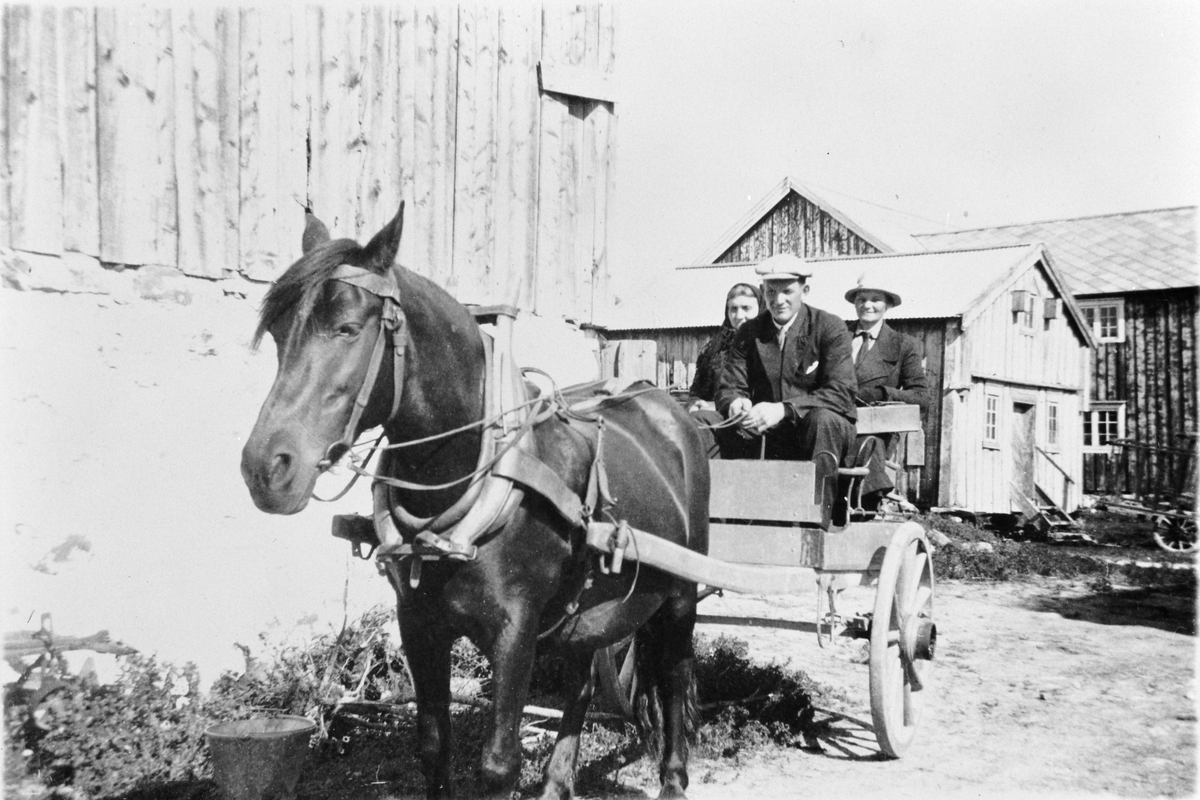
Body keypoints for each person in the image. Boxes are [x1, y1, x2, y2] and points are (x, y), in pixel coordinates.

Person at [714, 253, 857, 472]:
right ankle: (711, 503)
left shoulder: (829, 327)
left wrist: (785, 409)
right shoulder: (748, 332)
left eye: (787, 291)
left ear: (805, 291)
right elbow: (730, 385)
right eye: (771, 292)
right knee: (704, 421)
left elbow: (842, 391)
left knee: (822, 421)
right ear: (763, 291)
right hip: (765, 432)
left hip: (815, 432)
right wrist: (735, 403)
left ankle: (819, 506)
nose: (779, 300)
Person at [845, 280, 928, 513]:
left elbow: (922, 397)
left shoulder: (903, 345)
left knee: (866, 446)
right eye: (861, 299)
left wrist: (884, 393)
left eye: (875, 300)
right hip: (836, 419)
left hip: (877, 430)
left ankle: (867, 508)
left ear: (888, 305)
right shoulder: (837, 337)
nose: (867, 305)